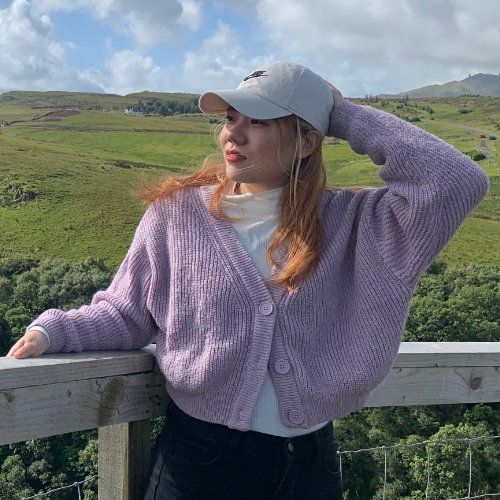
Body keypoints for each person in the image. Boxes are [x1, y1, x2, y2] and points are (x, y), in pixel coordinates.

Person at [7, 61, 489, 499]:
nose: (233, 135)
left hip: (309, 466)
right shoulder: (176, 216)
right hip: (198, 462)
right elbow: (128, 312)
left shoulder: (363, 225)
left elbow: (456, 182)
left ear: (306, 141)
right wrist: (56, 331)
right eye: (229, 118)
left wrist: (338, 113)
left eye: (258, 121)